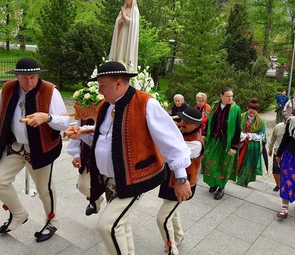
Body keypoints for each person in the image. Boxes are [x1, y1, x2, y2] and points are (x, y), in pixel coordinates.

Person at [86, 61, 192, 255]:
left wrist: (181, 178)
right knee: (121, 224)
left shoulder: (145, 103)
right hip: (110, 179)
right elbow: (104, 136)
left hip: (134, 178)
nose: (100, 91)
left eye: (102, 85)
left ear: (118, 83)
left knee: (107, 226)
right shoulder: (106, 106)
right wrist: (82, 133)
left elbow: (172, 141)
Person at [0, 57, 70, 242]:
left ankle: (52, 221)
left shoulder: (49, 91)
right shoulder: (8, 89)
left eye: (33, 77)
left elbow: (64, 123)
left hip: (40, 148)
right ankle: (19, 214)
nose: (29, 82)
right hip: (15, 146)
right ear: (16, 76)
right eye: (24, 78)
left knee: (44, 189)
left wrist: (46, 118)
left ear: (38, 75)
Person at [157, 107, 204, 255]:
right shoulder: (184, 131)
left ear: (196, 126)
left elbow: (173, 155)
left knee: (162, 219)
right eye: (182, 119)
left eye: (187, 122)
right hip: (170, 180)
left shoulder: (196, 143)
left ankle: (170, 249)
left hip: (184, 184)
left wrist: (165, 130)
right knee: (171, 210)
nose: (182, 123)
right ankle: (178, 236)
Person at [202, 87, 241, 200]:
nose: (230, 98)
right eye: (228, 96)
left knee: (224, 165)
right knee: (208, 161)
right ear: (221, 96)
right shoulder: (214, 105)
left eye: (232, 96)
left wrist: (234, 146)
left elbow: (238, 129)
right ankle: (213, 183)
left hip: (227, 142)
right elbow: (209, 121)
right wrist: (204, 134)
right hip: (214, 139)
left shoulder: (236, 109)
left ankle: (221, 187)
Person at [66, 118, 105, 216]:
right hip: (90, 157)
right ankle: (97, 199)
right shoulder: (86, 112)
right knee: (83, 186)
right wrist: (76, 154)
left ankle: (114, 221)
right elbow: (78, 130)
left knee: (114, 192)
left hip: (113, 157)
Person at [231, 98, 266, 187]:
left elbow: (261, 134)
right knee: (240, 160)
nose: (251, 114)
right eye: (250, 112)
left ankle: (246, 181)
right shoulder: (241, 116)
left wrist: (250, 135)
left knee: (249, 163)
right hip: (241, 143)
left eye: (254, 113)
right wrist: (242, 135)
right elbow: (235, 128)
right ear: (247, 109)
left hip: (253, 146)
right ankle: (237, 178)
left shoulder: (260, 121)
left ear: (257, 112)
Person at [109, 0, 140, 72]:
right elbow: (117, 21)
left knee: (126, 50)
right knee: (120, 49)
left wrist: (125, 18)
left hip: (129, 35)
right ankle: (118, 66)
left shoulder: (135, 11)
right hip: (122, 32)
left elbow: (134, 24)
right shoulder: (124, 9)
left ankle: (127, 68)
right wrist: (121, 18)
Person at [268, 118, 286, 192]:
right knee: (275, 168)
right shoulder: (278, 127)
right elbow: (273, 138)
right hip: (277, 151)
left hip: (288, 154)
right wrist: (270, 148)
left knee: (285, 170)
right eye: (286, 121)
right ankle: (278, 184)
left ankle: (284, 185)